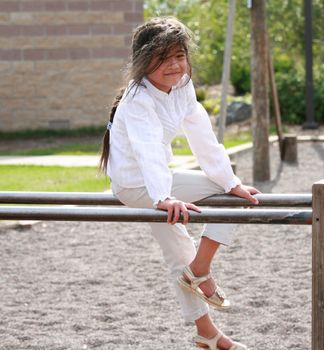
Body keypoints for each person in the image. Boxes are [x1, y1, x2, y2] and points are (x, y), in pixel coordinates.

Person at [99, 17, 260, 350]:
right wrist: (164, 196)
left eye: (179, 56)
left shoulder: (182, 86)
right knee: (223, 200)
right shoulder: (138, 99)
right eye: (163, 58)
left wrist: (231, 181)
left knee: (185, 247)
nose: (174, 65)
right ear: (143, 63)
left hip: (158, 183)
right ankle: (199, 271)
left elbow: (202, 135)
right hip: (137, 185)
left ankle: (207, 334)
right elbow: (147, 150)